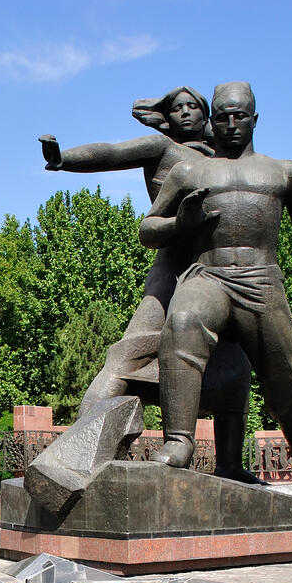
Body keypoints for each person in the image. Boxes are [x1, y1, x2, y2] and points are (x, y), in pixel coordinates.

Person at [40, 85, 262, 484]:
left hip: (220, 271)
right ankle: (79, 450)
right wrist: (63, 159)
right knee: (130, 353)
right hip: (172, 268)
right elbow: (112, 153)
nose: (187, 113)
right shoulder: (163, 148)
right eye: (178, 108)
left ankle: (229, 463)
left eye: (194, 107)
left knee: (234, 364)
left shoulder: (225, 159)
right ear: (166, 117)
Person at [140, 82, 292, 490]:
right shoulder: (188, 171)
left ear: (255, 119)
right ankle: (179, 441)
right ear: (212, 121)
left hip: (261, 281)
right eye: (223, 117)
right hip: (208, 275)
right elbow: (148, 229)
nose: (232, 124)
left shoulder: (284, 171)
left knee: (286, 378)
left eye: (240, 116)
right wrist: (181, 223)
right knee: (182, 323)